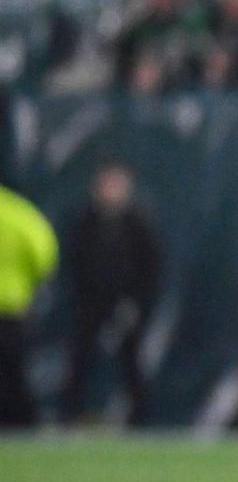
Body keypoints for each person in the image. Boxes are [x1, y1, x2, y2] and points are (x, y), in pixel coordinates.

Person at [60, 162, 163, 425]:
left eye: (117, 184)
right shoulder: (84, 221)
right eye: (107, 184)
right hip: (91, 302)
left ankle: (141, 419)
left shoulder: (138, 223)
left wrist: (136, 302)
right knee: (81, 359)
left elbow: (150, 266)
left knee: (132, 363)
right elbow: (74, 263)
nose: (111, 191)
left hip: (126, 303)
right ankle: (70, 414)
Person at [0, 182, 58, 428]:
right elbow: (45, 254)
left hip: (12, 310)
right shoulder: (17, 211)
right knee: (14, 374)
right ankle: (24, 428)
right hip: (12, 308)